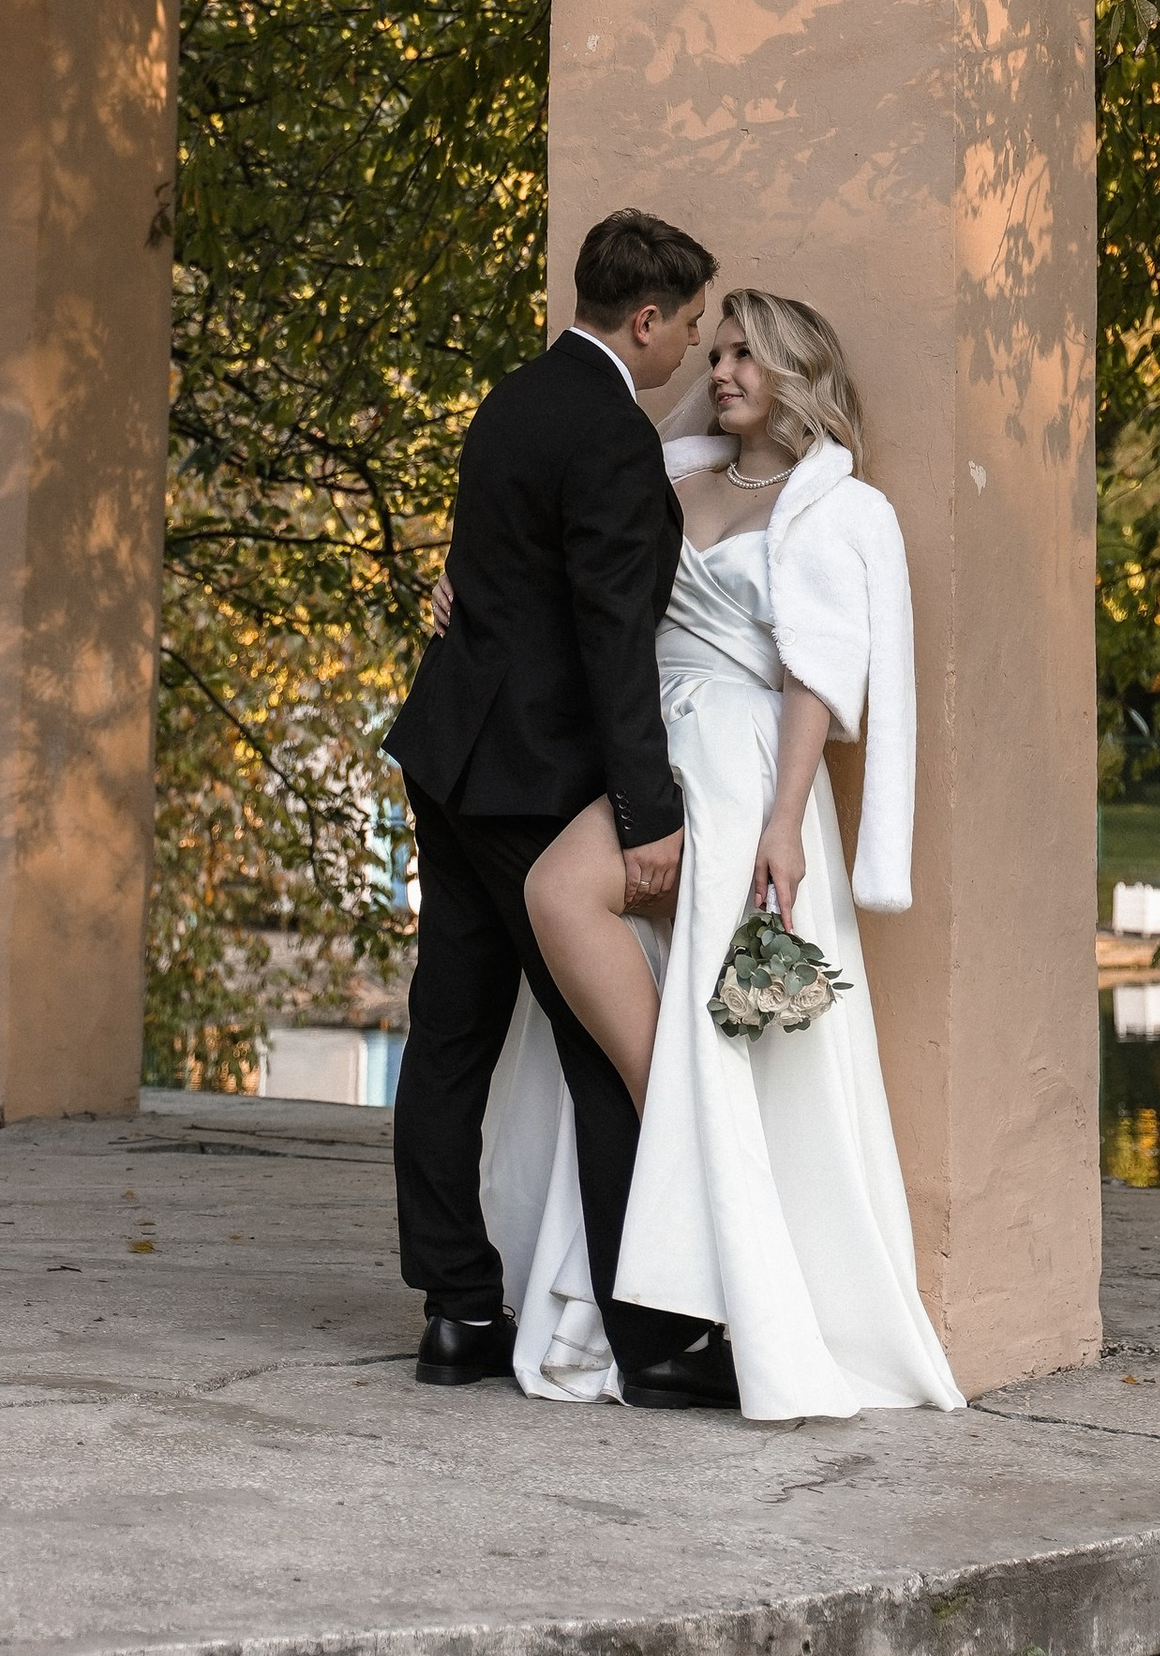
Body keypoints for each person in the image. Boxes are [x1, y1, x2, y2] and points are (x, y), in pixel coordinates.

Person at [456, 286, 963, 1420]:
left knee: (587, 908)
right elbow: (568, 585)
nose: (723, 369)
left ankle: (694, 1167)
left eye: (747, 355)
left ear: (796, 374)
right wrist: (463, 591)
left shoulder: (834, 508)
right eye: (717, 349)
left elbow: (814, 680)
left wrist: (785, 822)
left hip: (740, 767)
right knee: (564, 897)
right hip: (646, 746)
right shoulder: (668, 474)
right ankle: (680, 1119)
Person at [385, 207, 740, 1408]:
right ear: (644, 318)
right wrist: (646, 811)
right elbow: (607, 636)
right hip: (532, 778)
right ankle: (656, 1337)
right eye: (688, 328)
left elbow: (493, 573)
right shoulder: (609, 433)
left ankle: (456, 1311)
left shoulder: (513, 397)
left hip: (449, 758)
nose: (691, 351)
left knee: (448, 1038)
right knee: (602, 1045)